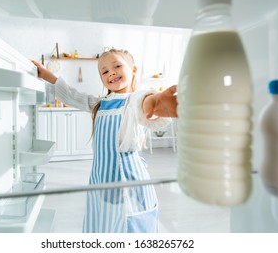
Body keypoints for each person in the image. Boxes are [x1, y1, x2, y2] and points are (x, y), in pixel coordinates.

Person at [31, 48, 177, 233]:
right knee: (103, 225)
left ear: (133, 70)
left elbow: (144, 101)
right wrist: (48, 76)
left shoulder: (133, 101)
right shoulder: (98, 104)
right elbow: (72, 95)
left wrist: (155, 103)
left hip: (128, 181)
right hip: (100, 180)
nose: (112, 73)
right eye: (105, 71)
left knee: (128, 227)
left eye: (117, 66)